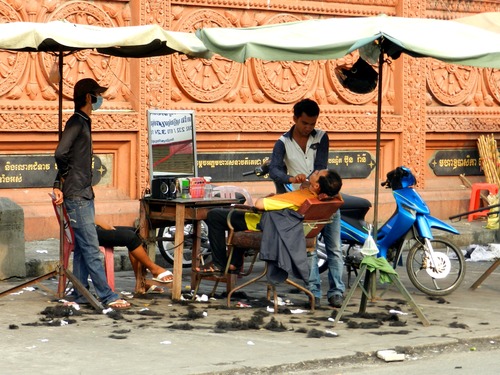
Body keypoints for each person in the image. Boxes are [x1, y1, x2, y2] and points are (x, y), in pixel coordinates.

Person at [52, 78, 130, 310]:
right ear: (88, 97)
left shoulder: (84, 121)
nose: (99, 99)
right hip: (77, 195)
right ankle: (107, 296)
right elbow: (60, 153)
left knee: (83, 249)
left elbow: (68, 156)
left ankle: (79, 292)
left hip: (83, 193)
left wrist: (61, 179)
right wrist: (67, 174)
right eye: (97, 94)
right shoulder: (77, 121)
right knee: (91, 248)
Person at [269, 98, 345, 308]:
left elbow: (321, 165)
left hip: (327, 198)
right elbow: (274, 169)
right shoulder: (282, 142)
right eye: (305, 123)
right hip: (302, 203)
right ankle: (314, 292)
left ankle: (337, 291)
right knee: (310, 248)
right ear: (295, 118)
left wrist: (312, 182)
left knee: (335, 248)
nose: (309, 128)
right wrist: (291, 180)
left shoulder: (321, 137)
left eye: (312, 123)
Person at [200, 169, 342, 276]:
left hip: (264, 225)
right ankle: (234, 263)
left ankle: (219, 264)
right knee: (235, 218)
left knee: (215, 215)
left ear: (317, 186)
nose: (315, 171)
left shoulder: (301, 197)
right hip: (290, 232)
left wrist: (266, 198)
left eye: (317, 173)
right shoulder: (318, 199)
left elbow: (259, 205)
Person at [95, 220, 173, 294]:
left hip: (93, 226)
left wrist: (103, 224)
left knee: (137, 233)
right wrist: (103, 224)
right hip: (87, 233)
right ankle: (154, 269)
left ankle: (141, 283)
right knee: (130, 237)